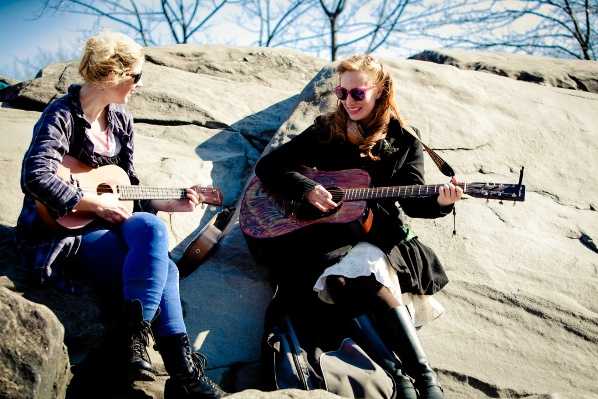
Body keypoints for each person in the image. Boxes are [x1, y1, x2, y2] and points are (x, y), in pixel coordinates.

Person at [16, 31, 225, 399]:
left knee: (150, 227)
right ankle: (183, 374)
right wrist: (92, 205)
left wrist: (167, 203)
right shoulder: (62, 115)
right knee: (168, 268)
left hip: (111, 226)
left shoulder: (121, 121)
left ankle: (135, 337)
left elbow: (125, 191)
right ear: (115, 75)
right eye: (137, 77)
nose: (139, 86)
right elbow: (35, 176)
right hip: (66, 232)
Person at [254, 54, 463, 399]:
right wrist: (307, 189)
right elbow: (271, 167)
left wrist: (441, 201)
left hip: (376, 237)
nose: (347, 101)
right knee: (335, 279)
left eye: (357, 94)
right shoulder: (326, 129)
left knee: (360, 268)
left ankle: (425, 381)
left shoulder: (404, 141)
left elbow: (413, 198)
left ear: (380, 91)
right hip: (322, 238)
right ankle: (404, 380)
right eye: (342, 92)